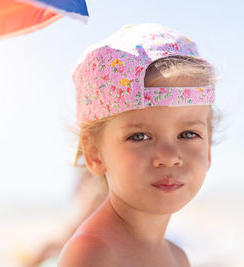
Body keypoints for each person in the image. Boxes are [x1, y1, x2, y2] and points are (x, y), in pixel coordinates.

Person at [58, 23, 219, 267]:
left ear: (207, 149)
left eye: (188, 134)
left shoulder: (177, 256)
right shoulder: (94, 254)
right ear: (94, 153)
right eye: (140, 136)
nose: (169, 156)